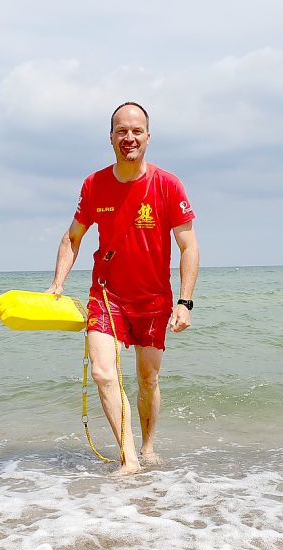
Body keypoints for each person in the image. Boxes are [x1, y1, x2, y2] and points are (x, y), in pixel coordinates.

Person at [46, 101, 199, 475]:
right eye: (121, 131)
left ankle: (147, 447)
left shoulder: (167, 184)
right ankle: (128, 458)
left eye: (136, 131)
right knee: (102, 372)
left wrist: (185, 302)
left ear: (147, 136)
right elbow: (72, 238)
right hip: (107, 295)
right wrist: (57, 284)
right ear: (111, 137)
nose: (129, 137)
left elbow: (188, 245)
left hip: (152, 298)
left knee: (148, 379)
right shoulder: (95, 185)